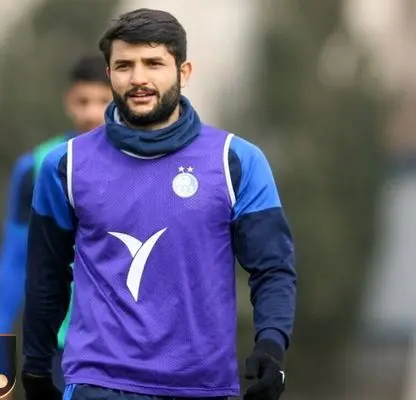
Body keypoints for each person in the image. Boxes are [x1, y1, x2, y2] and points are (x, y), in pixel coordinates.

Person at [21, 8, 297, 400]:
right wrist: (35, 366)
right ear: (109, 74)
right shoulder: (64, 166)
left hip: (203, 386)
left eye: (153, 63)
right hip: (99, 383)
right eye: (124, 65)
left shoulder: (236, 161)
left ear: (184, 72)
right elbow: (45, 275)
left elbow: (272, 268)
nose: (138, 78)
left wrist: (271, 344)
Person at [0, 54, 112, 392]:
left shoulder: (141, 165)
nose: (91, 112)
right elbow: (15, 258)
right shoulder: (38, 166)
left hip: (126, 346)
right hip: (61, 343)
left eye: (103, 101)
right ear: (68, 101)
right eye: (83, 101)